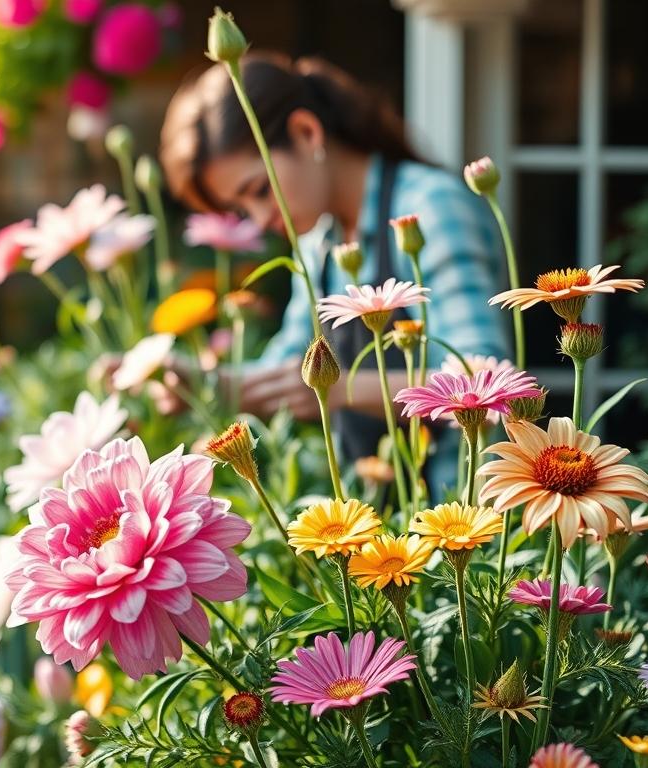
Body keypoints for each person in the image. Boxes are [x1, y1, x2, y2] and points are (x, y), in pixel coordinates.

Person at [159, 52, 509, 492]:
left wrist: (336, 390)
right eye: (240, 207)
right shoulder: (318, 240)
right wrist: (200, 384)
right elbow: (285, 367)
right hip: (372, 521)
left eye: (260, 190)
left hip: (461, 515)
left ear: (307, 133)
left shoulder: (430, 208)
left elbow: (487, 386)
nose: (260, 218)